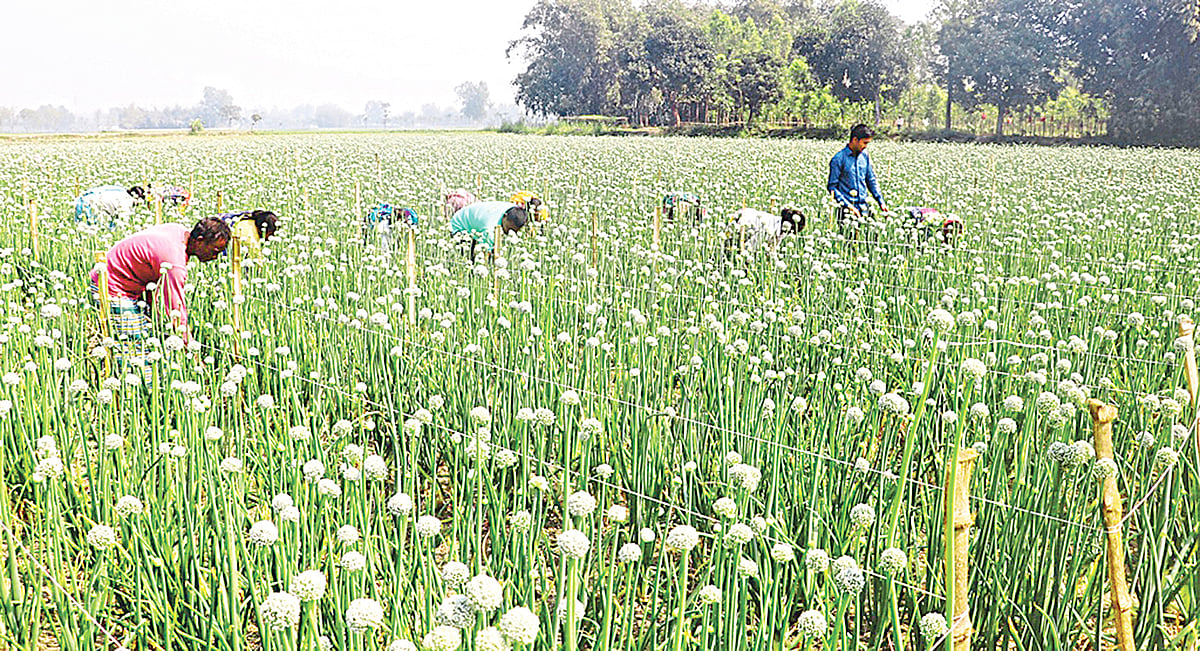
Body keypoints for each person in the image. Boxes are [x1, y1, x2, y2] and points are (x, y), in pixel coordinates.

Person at [88, 218, 231, 375]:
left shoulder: (179, 231)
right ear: (200, 241)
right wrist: (192, 351)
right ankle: (135, 392)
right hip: (111, 286)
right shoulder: (174, 262)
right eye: (215, 251)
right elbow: (176, 310)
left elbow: (150, 266)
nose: (215, 257)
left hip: (120, 280)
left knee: (143, 343)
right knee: (135, 351)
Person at [828, 124, 888, 232]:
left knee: (873, 237)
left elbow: (871, 180)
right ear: (855, 140)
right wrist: (848, 206)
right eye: (864, 143)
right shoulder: (838, 159)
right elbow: (832, 187)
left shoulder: (864, 156)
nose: (866, 146)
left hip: (865, 207)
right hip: (846, 211)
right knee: (849, 244)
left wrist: (881, 202)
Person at [449, 201, 528, 262]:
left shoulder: (514, 209)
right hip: (460, 226)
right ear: (505, 216)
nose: (510, 232)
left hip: (474, 223)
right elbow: (485, 253)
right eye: (508, 228)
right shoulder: (489, 228)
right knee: (468, 259)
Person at [727, 205, 805, 255]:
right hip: (740, 220)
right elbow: (752, 246)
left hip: (745, 217)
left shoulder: (780, 228)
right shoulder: (769, 228)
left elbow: (772, 248)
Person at [75, 185, 146, 228]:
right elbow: (124, 221)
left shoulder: (121, 190)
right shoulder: (127, 200)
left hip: (82, 200)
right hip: (91, 205)